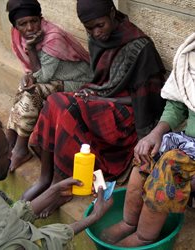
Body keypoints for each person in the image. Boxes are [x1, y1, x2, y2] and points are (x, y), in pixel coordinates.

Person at [23, 0, 166, 202]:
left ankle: (60, 183)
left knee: (68, 107)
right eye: (89, 29)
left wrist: (99, 98)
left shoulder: (141, 47)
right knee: (54, 101)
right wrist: (94, 96)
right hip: (102, 98)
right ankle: (45, 178)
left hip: (129, 114)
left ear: (112, 12)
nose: (97, 33)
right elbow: (100, 81)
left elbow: (147, 101)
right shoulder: (98, 38)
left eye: (100, 25)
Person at [0, 116, 113, 250]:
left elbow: (4, 221)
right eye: (6, 153)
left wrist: (53, 192)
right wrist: (93, 217)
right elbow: (41, 243)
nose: (12, 154)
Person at [99, 33, 195, 247]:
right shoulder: (191, 55)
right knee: (146, 155)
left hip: (187, 154)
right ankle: (128, 222)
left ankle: (144, 236)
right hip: (189, 144)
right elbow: (178, 104)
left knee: (170, 167)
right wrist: (155, 134)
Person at [6, 0, 94, 171]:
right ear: (16, 27)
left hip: (79, 82)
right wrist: (28, 76)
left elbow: (44, 77)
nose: (30, 27)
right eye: (23, 24)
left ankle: (21, 148)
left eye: (34, 21)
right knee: (24, 86)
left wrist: (31, 48)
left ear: (41, 18)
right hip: (55, 79)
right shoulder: (20, 36)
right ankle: (10, 139)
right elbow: (35, 71)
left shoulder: (53, 38)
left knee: (33, 91)